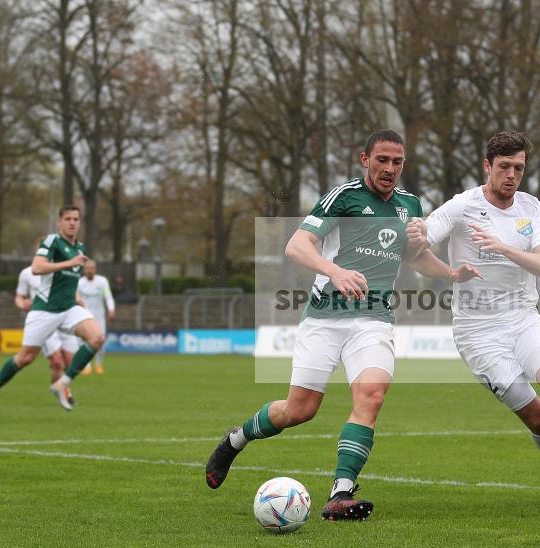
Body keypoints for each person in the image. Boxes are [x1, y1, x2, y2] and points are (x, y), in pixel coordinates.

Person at [204, 129, 480, 521]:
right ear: (364, 159)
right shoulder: (343, 197)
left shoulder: (409, 205)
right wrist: (334, 270)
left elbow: (414, 258)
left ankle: (341, 493)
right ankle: (237, 438)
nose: (389, 169)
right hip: (324, 318)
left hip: (374, 318)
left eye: (397, 162)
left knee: (371, 397)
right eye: (381, 160)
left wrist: (452, 273)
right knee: (299, 410)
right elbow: (297, 246)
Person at [407, 130, 540, 505]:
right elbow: (420, 250)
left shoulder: (531, 209)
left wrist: (503, 247)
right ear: (488, 166)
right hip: (477, 332)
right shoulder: (461, 206)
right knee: (536, 417)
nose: (511, 175)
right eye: (504, 167)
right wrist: (432, 252)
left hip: (522, 317)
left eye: (518, 168)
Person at [0, 206, 106, 421]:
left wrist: (76, 296)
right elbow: (37, 268)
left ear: (80, 223)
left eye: (76, 219)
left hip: (69, 309)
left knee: (97, 337)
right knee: (25, 358)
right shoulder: (52, 241)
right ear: (59, 222)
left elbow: (69, 278)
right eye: (67, 219)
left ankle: (62, 384)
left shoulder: (80, 247)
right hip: (44, 311)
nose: (72, 223)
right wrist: (69, 263)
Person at [13, 242, 80, 404]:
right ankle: (65, 393)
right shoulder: (27, 273)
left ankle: (59, 386)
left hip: (63, 318)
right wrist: (23, 304)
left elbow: (73, 290)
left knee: (70, 363)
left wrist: (78, 300)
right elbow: (18, 297)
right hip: (43, 320)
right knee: (57, 361)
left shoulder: (63, 270)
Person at [78, 260, 115, 375]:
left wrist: (111, 309)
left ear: (95, 269)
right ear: (84, 270)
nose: (90, 271)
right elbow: (76, 298)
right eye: (87, 268)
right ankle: (86, 365)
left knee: (100, 341)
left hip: (99, 317)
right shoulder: (79, 283)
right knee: (83, 341)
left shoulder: (102, 281)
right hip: (84, 316)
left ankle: (99, 364)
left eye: (92, 268)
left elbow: (108, 296)